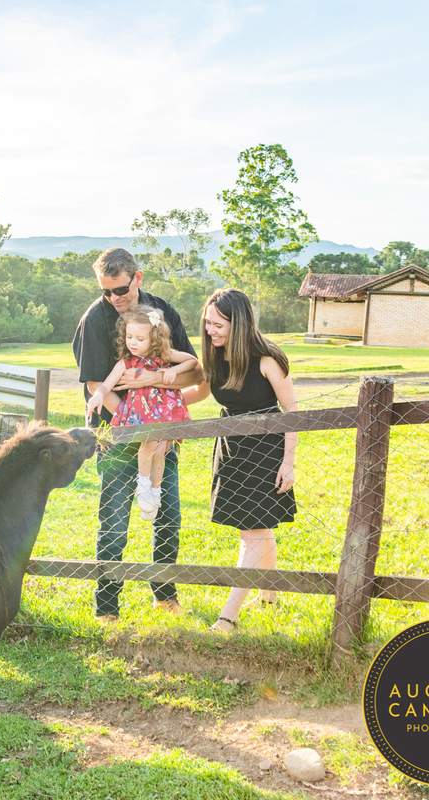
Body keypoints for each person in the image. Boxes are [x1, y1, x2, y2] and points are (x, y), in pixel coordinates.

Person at [72, 248, 201, 622]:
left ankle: (164, 595)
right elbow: (97, 384)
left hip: (160, 434)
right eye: (106, 291)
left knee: (169, 516)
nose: (113, 298)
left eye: (120, 290)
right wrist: (135, 424)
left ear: (138, 278)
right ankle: (107, 608)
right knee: (114, 523)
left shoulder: (160, 313)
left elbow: (194, 372)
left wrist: (155, 379)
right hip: (119, 435)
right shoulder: (95, 320)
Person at [183, 288, 297, 633]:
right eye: (207, 323)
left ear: (239, 324)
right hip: (230, 449)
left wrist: (288, 463)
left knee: (252, 532)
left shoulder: (268, 359)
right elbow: (200, 392)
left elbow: (293, 414)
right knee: (259, 527)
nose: (209, 331)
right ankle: (269, 596)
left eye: (218, 325)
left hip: (266, 450)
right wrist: (156, 406)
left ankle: (228, 617)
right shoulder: (216, 357)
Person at [85, 306, 198, 521]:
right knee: (148, 445)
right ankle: (144, 486)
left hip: (164, 412)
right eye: (129, 337)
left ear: (154, 339)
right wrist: (98, 395)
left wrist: (173, 370)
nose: (133, 343)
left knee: (161, 451)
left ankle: (154, 493)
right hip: (144, 414)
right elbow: (106, 384)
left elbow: (192, 361)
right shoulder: (126, 362)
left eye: (139, 338)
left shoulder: (165, 356)